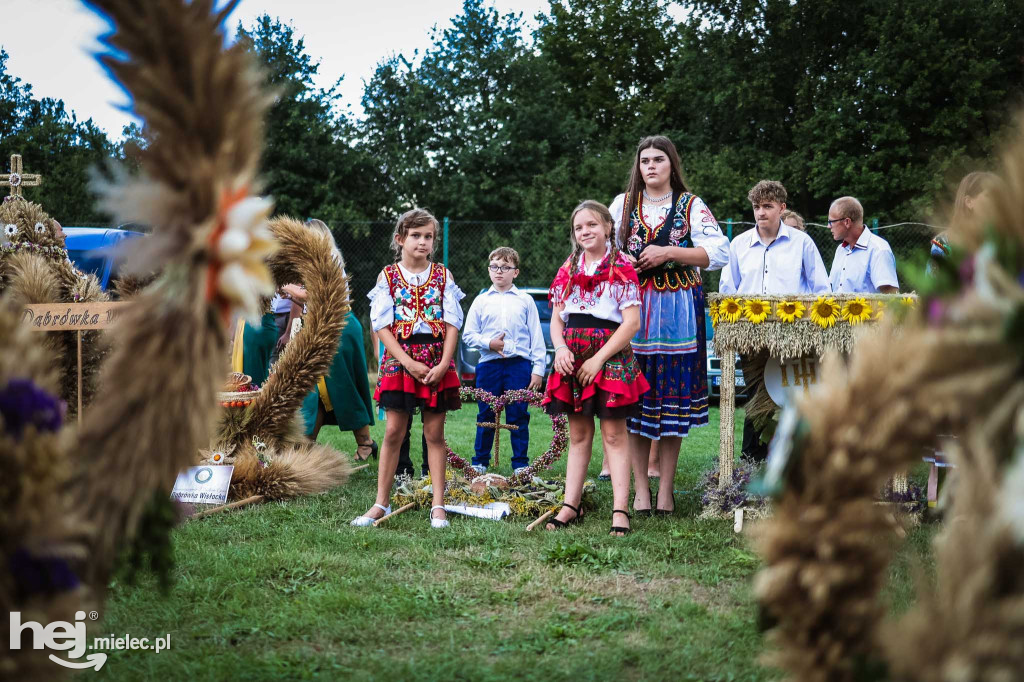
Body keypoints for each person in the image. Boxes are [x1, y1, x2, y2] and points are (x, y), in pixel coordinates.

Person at [609, 135, 730, 515]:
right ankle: (641, 492)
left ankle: (666, 492)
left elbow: (719, 252)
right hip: (635, 310)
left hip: (678, 308)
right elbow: (605, 250)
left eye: (658, 159)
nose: (650, 166)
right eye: (644, 160)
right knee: (635, 396)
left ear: (671, 164)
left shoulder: (690, 205)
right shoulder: (623, 204)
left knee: (672, 397)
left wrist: (670, 252)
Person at [351, 208, 465, 529]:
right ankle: (380, 504)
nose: (423, 242)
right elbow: (381, 325)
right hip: (399, 358)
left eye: (428, 236)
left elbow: (453, 321)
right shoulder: (386, 276)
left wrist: (444, 363)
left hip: (435, 356)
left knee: (435, 434)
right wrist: (407, 361)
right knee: (392, 432)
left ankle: (438, 506)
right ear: (400, 239)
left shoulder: (444, 275)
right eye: (416, 235)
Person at [542, 200, 649, 536]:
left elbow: (631, 323)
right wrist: (559, 348)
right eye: (578, 228)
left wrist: (599, 358)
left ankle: (620, 509)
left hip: (608, 354)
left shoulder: (622, 268)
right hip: (572, 355)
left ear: (607, 227)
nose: (585, 232)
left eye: (591, 225)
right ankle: (570, 505)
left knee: (615, 435)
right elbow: (557, 318)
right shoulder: (569, 267)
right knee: (578, 434)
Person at [720, 180, 830, 461]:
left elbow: (821, 290)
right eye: (757, 207)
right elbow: (727, 291)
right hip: (750, 335)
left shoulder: (802, 243)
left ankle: (797, 458)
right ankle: (752, 459)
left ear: (782, 208)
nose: (761, 212)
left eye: (767, 206)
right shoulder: (739, 244)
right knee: (757, 395)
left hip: (793, 336)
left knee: (793, 395)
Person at [286, 220, 377, 461]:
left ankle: (364, 443)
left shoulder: (326, 257)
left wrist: (285, 285)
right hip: (326, 325)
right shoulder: (314, 258)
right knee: (315, 387)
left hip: (339, 327)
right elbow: (310, 300)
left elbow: (311, 294)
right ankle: (307, 444)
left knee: (341, 386)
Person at [462, 246, 546, 475]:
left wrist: (538, 370)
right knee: (486, 412)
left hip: (518, 364)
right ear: (489, 270)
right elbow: (468, 334)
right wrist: (490, 343)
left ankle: (520, 463)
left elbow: (536, 336)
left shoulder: (525, 301)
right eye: (494, 267)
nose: (499, 272)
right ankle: (480, 461)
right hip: (489, 364)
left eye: (505, 267)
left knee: (518, 412)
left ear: (515, 272)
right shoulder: (481, 301)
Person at [827, 196, 899, 294]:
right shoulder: (840, 250)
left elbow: (891, 295)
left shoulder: (878, 249)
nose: (828, 226)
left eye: (831, 222)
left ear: (847, 222)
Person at [930, 171, 1000, 268]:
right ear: (969, 202)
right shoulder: (943, 243)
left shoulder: (1008, 238)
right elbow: (936, 281)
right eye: (989, 195)